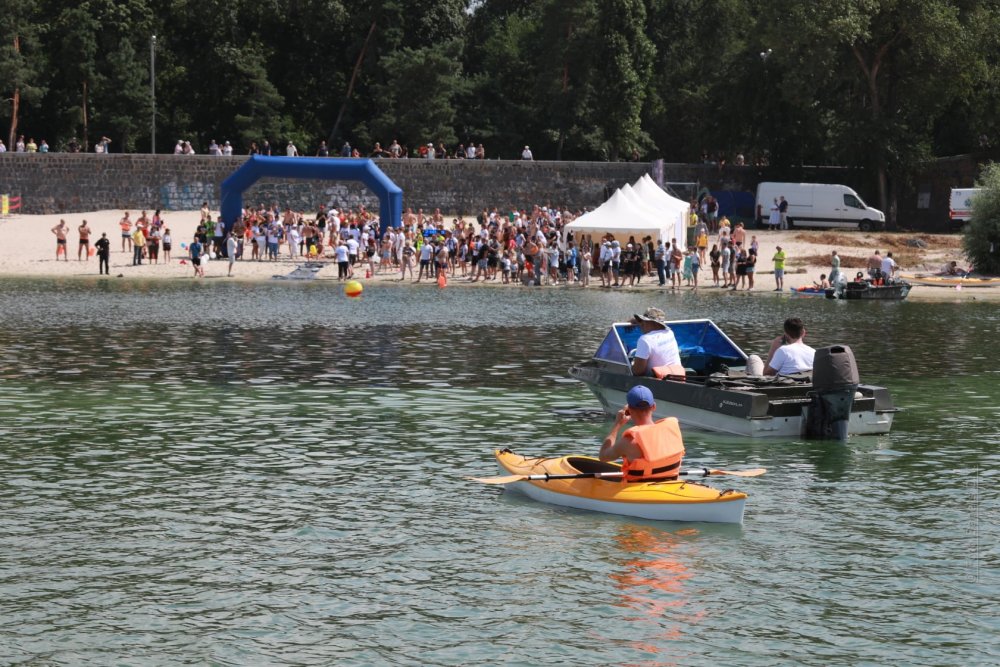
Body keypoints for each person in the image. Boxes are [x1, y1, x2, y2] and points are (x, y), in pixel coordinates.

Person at [599, 385, 685, 482]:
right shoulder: (672, 430)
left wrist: (617, 425)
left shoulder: (628, 441)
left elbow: (603, 456)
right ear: (654, 406)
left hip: (638, 488)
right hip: (671, 484)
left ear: (629, 410)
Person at [630, 307, 684, 379]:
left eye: (644, 321)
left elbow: (638, 372)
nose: (641, 324)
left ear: (652, 322)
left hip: (658, 381)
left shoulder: (645, 339)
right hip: (677, 376)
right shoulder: (669, 332)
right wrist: (638, 321)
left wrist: (631, 365)